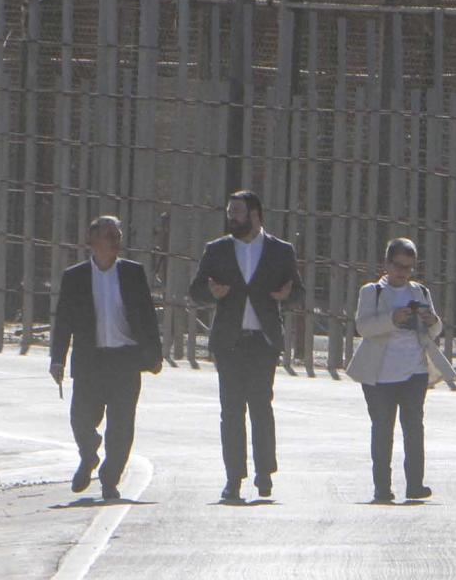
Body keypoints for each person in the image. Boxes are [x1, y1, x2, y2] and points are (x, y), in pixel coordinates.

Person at [189, 190, 304, 503]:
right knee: (231, 411)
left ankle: (264, 472)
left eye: (237, 212)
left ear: (255, 215)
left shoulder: (280, 251)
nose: (231, 217)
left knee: (261, 407)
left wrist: (287, 296)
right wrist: (212, 291)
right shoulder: (218, 249)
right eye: (229, 211)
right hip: (229, 342)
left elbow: (298, 291)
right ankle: (233, 479)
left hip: (263, 342)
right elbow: (196, 290)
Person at [49, 216, 164, 501]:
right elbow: (63, 320)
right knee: (80, 419)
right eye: (109, 235)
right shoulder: (74, 277)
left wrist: (155, 355)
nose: (115, 240)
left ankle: (110, 479)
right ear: (93, 240)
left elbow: (148, 317)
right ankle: (89, 455)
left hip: (126, 360)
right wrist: (57, 359)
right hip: (91, 360)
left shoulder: (132, 273)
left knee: (121, 425)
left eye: (118, 235)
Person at [345, 237, 453, 503]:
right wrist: (393, 320)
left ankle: (415, 484)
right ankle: (382, 487)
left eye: (408, 267)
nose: (402, 272)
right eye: (398, 266)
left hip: (414, 371)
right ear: (386, 264)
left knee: (414, 428)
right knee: (382, 429)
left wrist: (432, 321)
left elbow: (435, 330)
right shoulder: (372, 292)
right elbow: (364, 328)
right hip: (379, 374)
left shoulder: (421, 292)